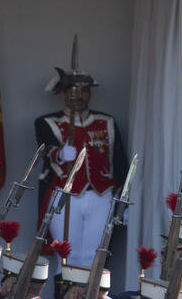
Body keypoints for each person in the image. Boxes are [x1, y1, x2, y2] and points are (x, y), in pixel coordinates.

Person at [34, 64, 128, 269]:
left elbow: (120, 163)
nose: (79, 96)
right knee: (67, 258)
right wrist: (59, 154)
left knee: (96, 257)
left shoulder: (106, 122)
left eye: (84, 90)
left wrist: (123, 200)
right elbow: (44, 150)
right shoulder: (47, 122)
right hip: (65, 195)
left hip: (101, 195)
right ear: (62, 94)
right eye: (72, 91)